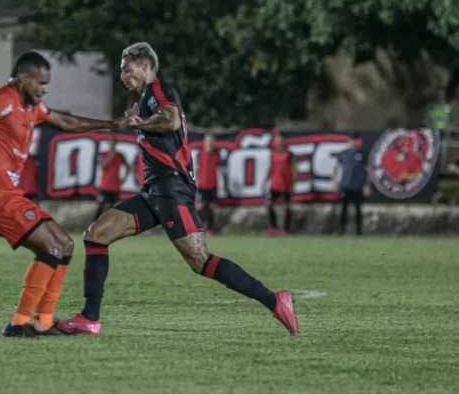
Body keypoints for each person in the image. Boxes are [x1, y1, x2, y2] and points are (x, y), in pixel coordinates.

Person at [57, 42, 298, 336]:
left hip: (171, 189)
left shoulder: (158, 90)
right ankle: (89, 318)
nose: (123, 76)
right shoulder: (146, 100)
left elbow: (171, 120)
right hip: (153, 193)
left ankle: (275, 301)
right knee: (96, 234)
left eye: (127, 68)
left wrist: (139, 122)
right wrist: (139, 120)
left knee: (200, 261)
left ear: (145, 65)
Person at [0, 51, 133, 338]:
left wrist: (112, 124)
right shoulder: (3, 100)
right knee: (51, 248)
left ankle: (43, 322)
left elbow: (67, 122)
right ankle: (18, 324)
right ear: (24, 79)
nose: (45, 89)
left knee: (65, 245)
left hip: (9, 195)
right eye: (41, 83)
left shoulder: (31, 107)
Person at [332, 132, 372, 236]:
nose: (353, 142)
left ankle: (359, 232)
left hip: (358, 186)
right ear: (349, 141)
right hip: (346, 185)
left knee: (358, 210)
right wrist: (334, 181)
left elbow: (368, 170)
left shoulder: (363, 154)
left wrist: (367, 185)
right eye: (352, 140)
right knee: (344, 209)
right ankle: (342, 231)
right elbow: (336, 167)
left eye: (355, 140)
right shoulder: (344, 153)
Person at [266, 132, 297, 236]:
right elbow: (271, 167)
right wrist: (267, 177)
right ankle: (273, 227)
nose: (278, 142)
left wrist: (293, 184)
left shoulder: (289, 154)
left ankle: (285, 228)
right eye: (276, 140)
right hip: (274, 184)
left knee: (286, 206)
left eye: (280, 140)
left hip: (286, 184)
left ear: (284, 141)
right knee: (269, 204)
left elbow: (294, 169)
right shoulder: (273, 154)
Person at [94, 136, 126, 220]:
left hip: (115, 187)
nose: (112, 145)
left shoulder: (120, 155)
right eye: (111, 143)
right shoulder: (103, 154)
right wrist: (111, 157)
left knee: (115, 209)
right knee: (100, 208)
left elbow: (128, 167)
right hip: (105, 186)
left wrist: (124, 179)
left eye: (114, 143)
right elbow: (102, 166)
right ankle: (94, 223)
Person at [195, 134, 219, 235]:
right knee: (200, 206)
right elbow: (197, 169)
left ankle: (210, 228)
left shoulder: (216, 154)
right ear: (204, 142)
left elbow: (219, 169)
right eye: (208, 141)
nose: (209, 143)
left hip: (213, 185)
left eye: (211, 141)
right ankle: (198, 227)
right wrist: (196, 181)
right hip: (202, 185)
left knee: (212, 207)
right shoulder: (200, 154)